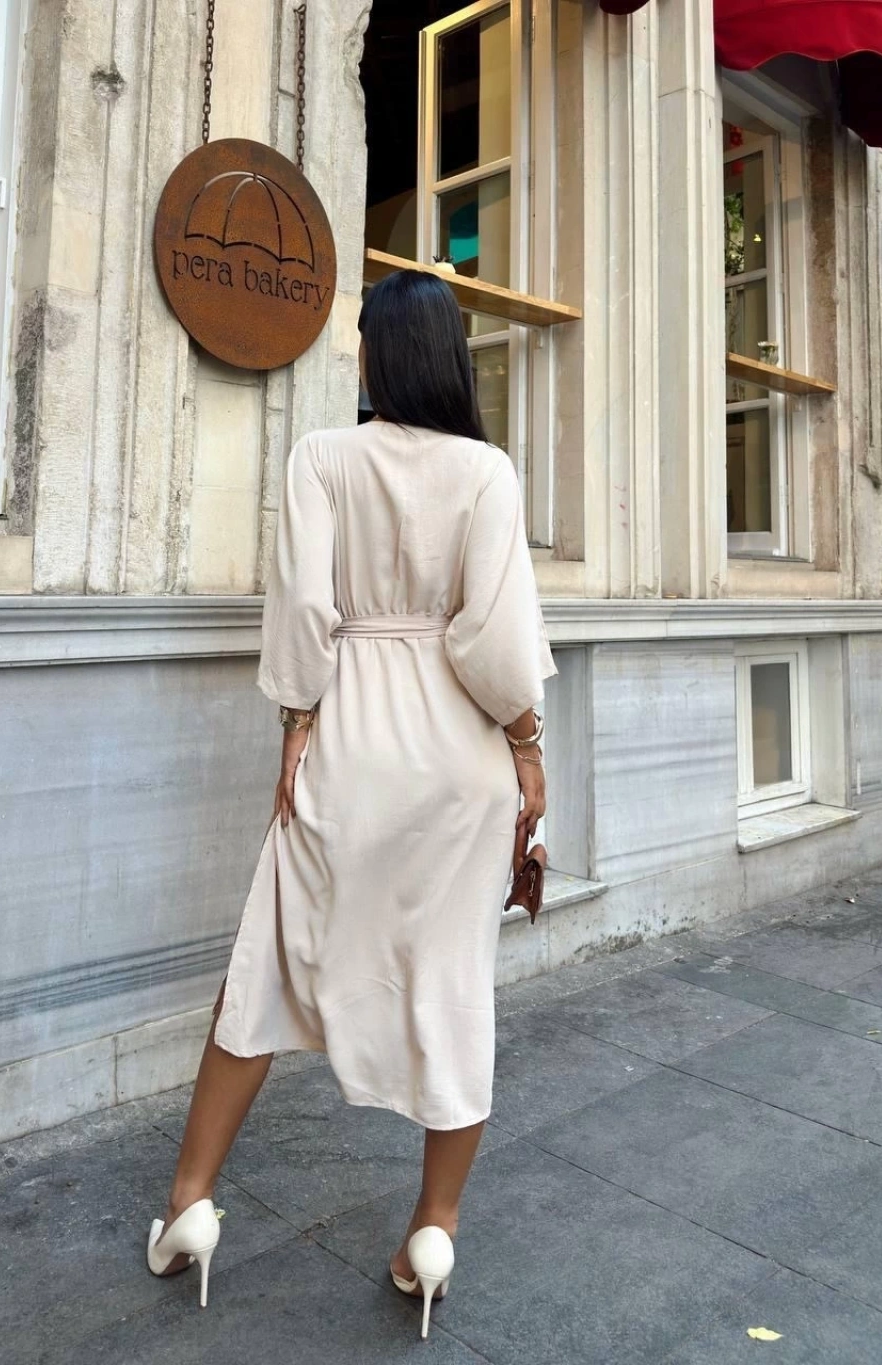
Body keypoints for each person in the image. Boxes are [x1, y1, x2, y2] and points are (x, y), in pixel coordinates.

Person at [147, 269, 556, 1337]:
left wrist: (296, 724)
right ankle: (434, 1230)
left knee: (267, 965)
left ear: (376, 354)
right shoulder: (486, 471)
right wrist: (527, 747)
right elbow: (494, 638)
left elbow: (303, 610)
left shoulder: (322, 458)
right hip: (460, 763)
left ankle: (189, 1203)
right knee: (453, 987)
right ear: (451, 358)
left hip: (350, 751)